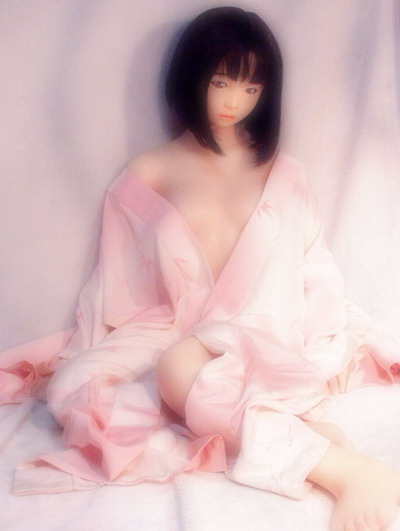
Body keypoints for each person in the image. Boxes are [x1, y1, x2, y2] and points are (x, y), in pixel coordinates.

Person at [1, 6, 400, 530]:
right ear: (193, 77)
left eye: (251, 87)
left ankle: (346, 472)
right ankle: (288, 435)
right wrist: (86, 349)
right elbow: (117, 288)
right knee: (79, 389)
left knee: (180, 369)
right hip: (172, 328)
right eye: (221, 82)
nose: (234, 101)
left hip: (262, 330)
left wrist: (318, 346)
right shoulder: (150, 173)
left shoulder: (284, 173)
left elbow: (314, 267)